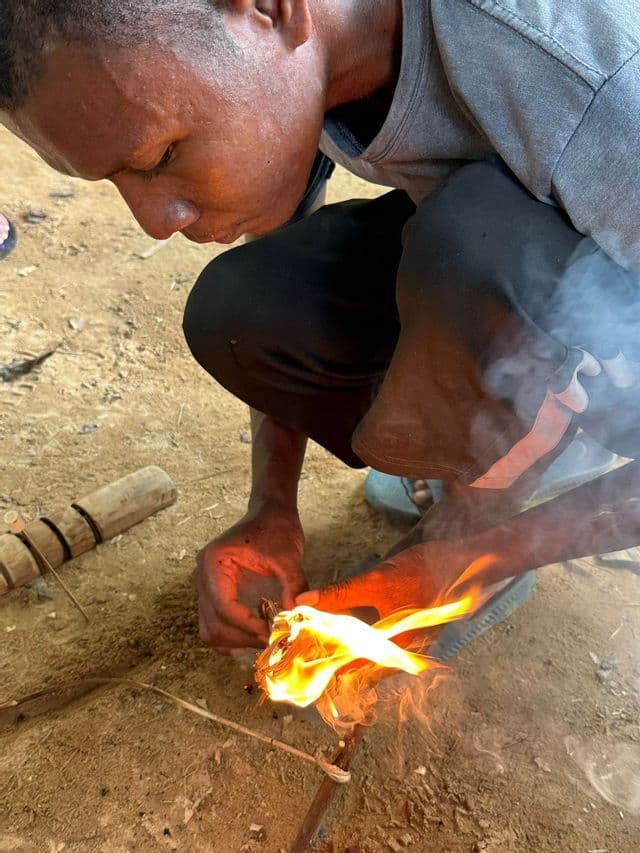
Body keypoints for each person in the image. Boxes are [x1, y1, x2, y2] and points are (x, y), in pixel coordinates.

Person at [2, 1, 640, 656]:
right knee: (243, 305)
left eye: (160, 155)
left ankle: (513, 475)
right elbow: (284, 229)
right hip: (521, 250)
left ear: (267, 11)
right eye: (115, 179)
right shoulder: (306, 49)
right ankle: (494, 439)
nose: (153, 221)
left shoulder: (600, 93)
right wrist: (271, 507)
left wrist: (477, 556)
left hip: (618, 324)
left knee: (478, 241)